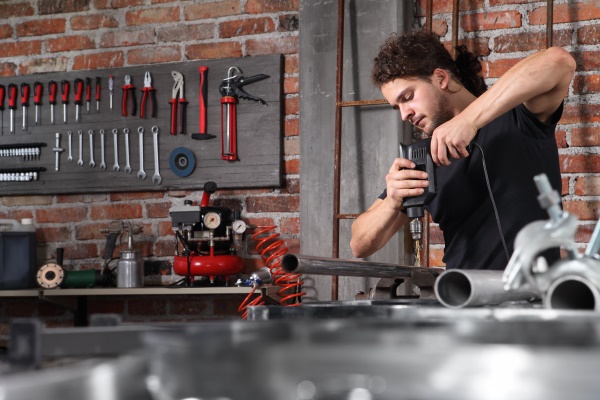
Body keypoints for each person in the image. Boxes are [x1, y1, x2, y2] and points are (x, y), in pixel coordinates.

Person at [350, 30, 576, 270]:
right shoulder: (424, 159)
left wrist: (468, 121)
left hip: (533, 298)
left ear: (440, 78)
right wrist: (392, 201)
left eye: (408, 97)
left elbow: (559, 61)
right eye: (398, 108)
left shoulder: (519, 118)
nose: (405, 114)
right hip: (461, 299)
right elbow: (359, 245)